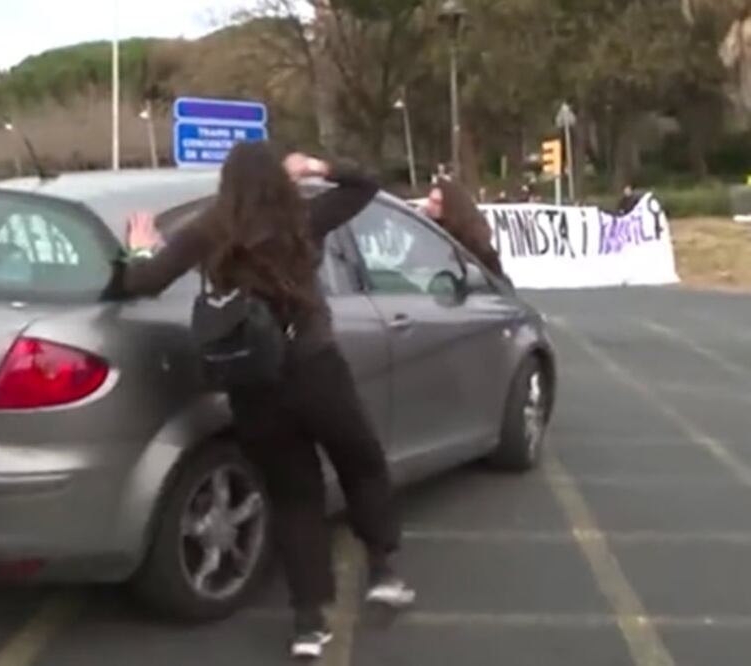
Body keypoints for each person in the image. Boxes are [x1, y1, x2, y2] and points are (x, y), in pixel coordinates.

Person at [115, 142, 415, 660]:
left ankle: (307, 626)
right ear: (279, 179)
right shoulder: (302, 217)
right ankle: (383, 572)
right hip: (317, 371)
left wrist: (141, 245)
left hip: (254, 387)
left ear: (226, 185)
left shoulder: (209, 232)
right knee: (360, 461)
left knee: (295, 497)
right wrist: (316, 166)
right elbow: (366, 184)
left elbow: (141, 280)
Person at [423, 178, 509, 282]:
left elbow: (494, 282)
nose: (429, 206)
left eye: (436, 202)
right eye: (430, 200)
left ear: (451, 206)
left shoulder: (476, 245)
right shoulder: (425, 230)